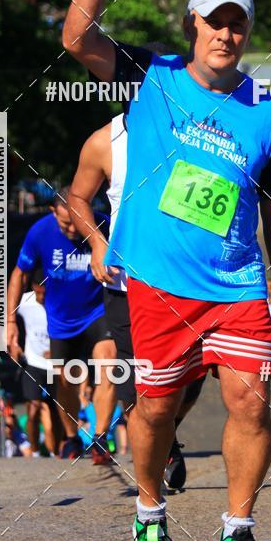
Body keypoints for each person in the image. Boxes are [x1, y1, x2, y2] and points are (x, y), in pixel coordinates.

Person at [62, 0, 271, 541]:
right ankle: (149, 518)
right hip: (160, 281)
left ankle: (239, 531)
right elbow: (77, 37)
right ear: (193, 23)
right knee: (158, 406)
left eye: (238, 24)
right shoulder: (154, 73)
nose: (226, 33)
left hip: (239, 283)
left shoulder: (267, 114)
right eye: (215, 21)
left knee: (252, 402)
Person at [68, 111, 205, 491]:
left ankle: (166, 432)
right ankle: (156, 463)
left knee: (192, 378)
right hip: (126, 284)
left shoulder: (195, 129)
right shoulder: (104, 141)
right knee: (132, 378)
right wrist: (97, 243)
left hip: (187, 282)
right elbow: (77, 195)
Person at [7, 187, 115, 460]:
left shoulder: (104, 224)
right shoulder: (40, 232)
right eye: (65, 222)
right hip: (61, 319)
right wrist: (10, 321)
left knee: (109, 362)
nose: (72, 229)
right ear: (53, 212)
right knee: (64, 381)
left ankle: (101, 437)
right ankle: (70, 437)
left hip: (97, 310)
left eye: (77, 221)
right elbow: (20, 274)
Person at [15, 269, 60, 456]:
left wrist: (59, 350)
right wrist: (12, 341)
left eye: (44, 293)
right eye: (38, 293)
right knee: (32, 408)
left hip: (56, 365)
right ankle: (34, 452)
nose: (41, 297)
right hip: (33, 362)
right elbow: (1, 315)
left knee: (57, 411)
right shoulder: (25, 301)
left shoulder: (60, 301)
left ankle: (57, 451)